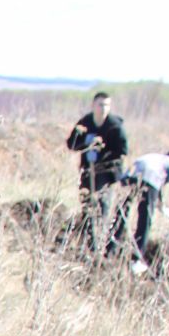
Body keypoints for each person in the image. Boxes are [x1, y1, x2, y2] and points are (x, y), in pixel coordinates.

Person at [65, 91, 129, 257]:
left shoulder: (115, 126)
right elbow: (71, 144)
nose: (103, 108)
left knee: (103, 205)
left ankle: (105, 244)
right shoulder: (85, 123)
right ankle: (90, 245)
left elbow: (122, 151)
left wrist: (104, 155)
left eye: (107, 105)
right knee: (87, 206)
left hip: (106, 173)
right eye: (100, 104)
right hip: (87, 172)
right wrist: (85, 144)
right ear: (93, 105)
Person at [117, 147, 169, 272]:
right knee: (145, 220)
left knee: (121, 213)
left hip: (130, 175)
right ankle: (136, 259)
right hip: (149, 180)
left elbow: (158, 196)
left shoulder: (157, 158)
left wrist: (163, 209)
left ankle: (110, 247)